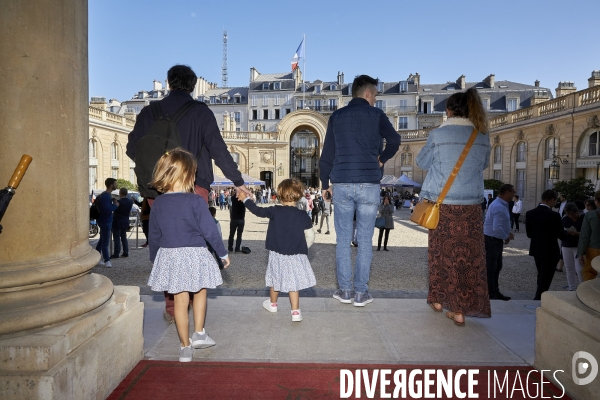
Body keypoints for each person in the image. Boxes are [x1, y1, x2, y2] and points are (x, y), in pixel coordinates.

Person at [320, 74, 401, 307]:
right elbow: (394, 140)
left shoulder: (336, 117)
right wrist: (381, 159)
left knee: (343, 240)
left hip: (342, 182)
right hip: (369, 183)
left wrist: (325, 184)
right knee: (365, 241)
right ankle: (360, 293)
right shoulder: (376, 115)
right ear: (367, 93)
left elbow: (327, 155)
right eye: (375, 94)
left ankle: (345, 291)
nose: (376, 99)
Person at [416, 87, 491, 325]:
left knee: (440, 255)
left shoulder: (438, 135)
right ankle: (462, 307)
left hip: (442, 204)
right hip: (471, 207)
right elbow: (483, 166)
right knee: (468, 258)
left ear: (448, 111)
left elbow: (422, 161)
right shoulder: (481, 136)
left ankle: (441, 301)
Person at [147, 148, 229, 362]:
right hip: (194, 254)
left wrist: (155, 259)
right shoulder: (195, 201)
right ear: (188, 175)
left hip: (171, 256)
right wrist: (222, 253)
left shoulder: (159, 204)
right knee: (200, 291)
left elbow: (154, 235)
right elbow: (209, 230)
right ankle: (199, 333)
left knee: (180, 301)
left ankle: (184, 347)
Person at [126, 65, 250, 202]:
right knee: (193, 223)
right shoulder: (201, 112)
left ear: (169, 83)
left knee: (161, 223)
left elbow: (132, 149)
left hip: (156, 188)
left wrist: (158, 169)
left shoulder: (148, 112)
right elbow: (219, 151)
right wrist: (238, 181)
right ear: (192, 86)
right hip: (193, 186)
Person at [238, 178, 316, 322]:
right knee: (294, 284)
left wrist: (245, 200)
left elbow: (257, 211)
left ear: (279, 194)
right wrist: (302, 246)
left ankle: (273, 304)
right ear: (299, 194)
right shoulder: (303, 215)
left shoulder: (275, 211)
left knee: (275, 278)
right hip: (296, 254)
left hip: (277, 253)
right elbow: (310, 236)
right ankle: (295, 312)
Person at [525, 190, 570, 300]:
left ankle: (539, 295)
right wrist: (569, 233)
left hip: (536, 249)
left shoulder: (530, 213)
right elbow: (561, 234)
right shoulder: (554, 215)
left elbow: (529, 234)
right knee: (546, 276)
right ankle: (539, 297)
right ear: (552, 200)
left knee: (541, 274)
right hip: (550, 250)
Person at [483, 184, 515, 301]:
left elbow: (498, 225)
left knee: (496, 267)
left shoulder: (500, 204)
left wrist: (507, 232)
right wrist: (505, 236)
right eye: (512, 192)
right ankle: (491, 294)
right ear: (507, 192)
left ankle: (494, 291)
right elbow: (496, 228)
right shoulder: (499, 206)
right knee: (492, 268)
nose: (514, 195)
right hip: (492, 240)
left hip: (494, 239)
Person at [95, 178, 118, 267]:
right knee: (105, 242)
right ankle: (107, 260)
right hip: (105, 221)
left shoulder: (105, 195)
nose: (116, 185)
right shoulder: (106, 196)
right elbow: (107, 210)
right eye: (115, 184)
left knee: (102, 240)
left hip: (103, 220)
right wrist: (115, 206)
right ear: (111, 185)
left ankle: (97, 259)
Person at [577, 191, 600, 282]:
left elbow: (584, 236)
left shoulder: (590, 215)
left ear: (596, 201)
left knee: (588, 272)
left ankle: (591, 293)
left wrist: (581, 252)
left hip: (594, 248)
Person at [561, 203, 584, 290]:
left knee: (579, 269)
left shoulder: (583, 218)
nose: (571, 216)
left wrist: (576, 233)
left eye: (572, 214)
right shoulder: (565, 219)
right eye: (569, 214)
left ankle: (582, 288)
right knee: (569, 268)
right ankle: (571, 287)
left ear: (577, 211)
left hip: (579, 245)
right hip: (567, 244)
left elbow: (586, 234)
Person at [111, 188, 133, 259]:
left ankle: (116, 253)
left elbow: (115, 209)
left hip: (117, 220)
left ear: (120, 193)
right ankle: (125, 252)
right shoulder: (130, 201)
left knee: (117, 237)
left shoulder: (118, 202)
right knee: (124, 237)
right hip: (125, 220)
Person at [228, 188, 246, 253]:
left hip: (234, 218)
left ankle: (230, 248)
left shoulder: (233, 198)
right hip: (241, 218)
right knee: (239, 235)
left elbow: (233, 197)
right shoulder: (243, 199)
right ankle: (237, 248)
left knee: (231, 234)